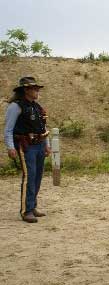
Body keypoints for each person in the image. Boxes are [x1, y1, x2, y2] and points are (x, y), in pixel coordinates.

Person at [3, 76, 51, 223]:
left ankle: (32, 206)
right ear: (26, 90)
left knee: (37, 177)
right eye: (34, 88)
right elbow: (8, 129)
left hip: (39, 145)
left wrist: (47, 144)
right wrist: (11, 147)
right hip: (26, 146)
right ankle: (26, 211)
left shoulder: (37, 107)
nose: (37, 91)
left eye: (37, 88)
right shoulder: (16, 106)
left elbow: (43, 127)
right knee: (29, 177)